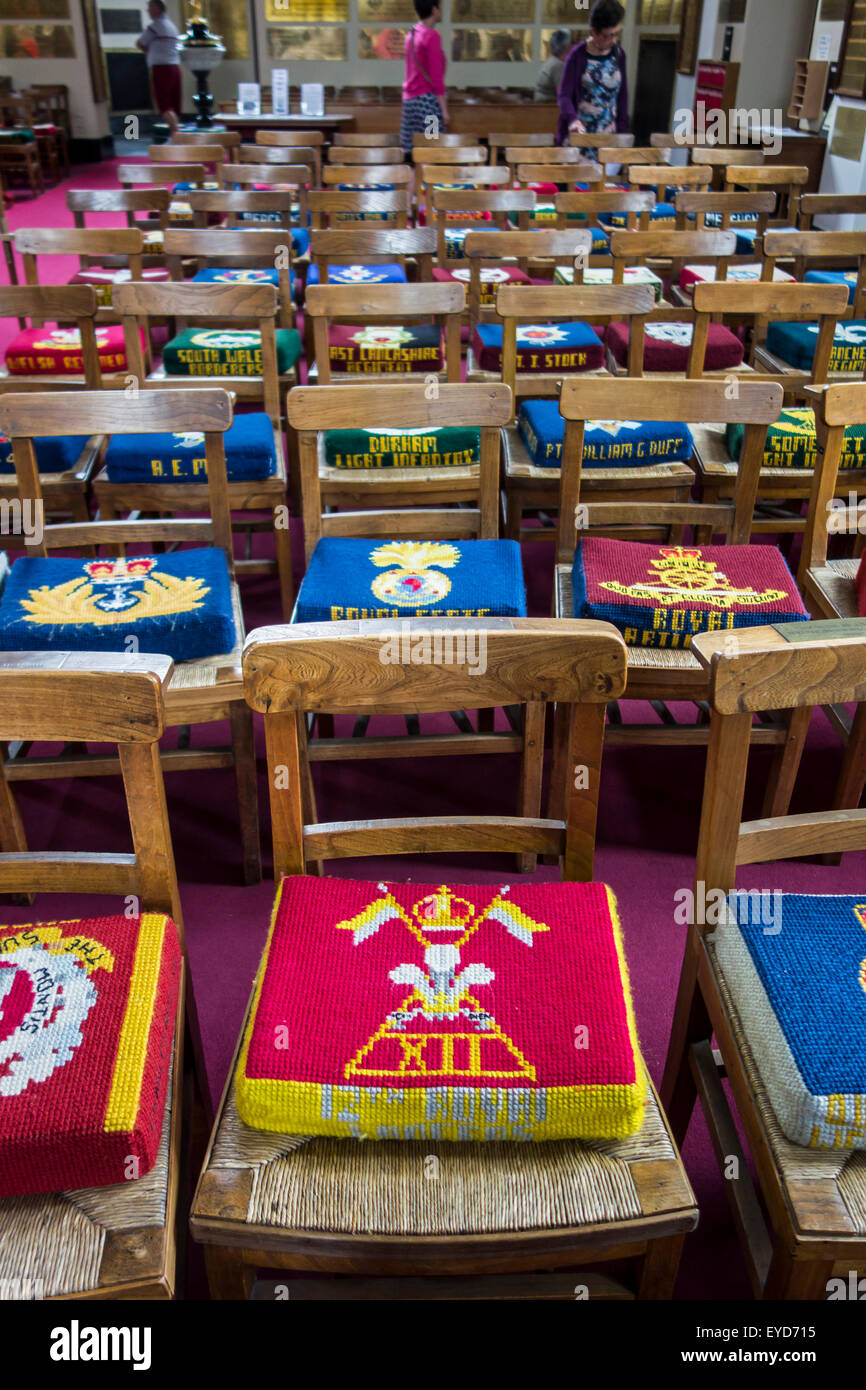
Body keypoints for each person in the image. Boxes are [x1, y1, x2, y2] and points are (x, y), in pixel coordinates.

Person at [556, 0, 628, 153]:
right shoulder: (577, 55)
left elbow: (622, 97)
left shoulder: (619, 55)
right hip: (581, 137)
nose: (613, 40)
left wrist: (623, 135)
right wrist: (572, 120)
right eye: (608, 36)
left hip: (609, 138)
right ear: (594, 32)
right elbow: (564, 96)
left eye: (616, 34)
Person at [401, 0, 449, 160]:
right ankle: (427, 185)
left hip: (409, 103)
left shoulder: (411, 33)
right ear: (434, 10)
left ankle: (412, 185)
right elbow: (436, 78)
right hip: (428, 103)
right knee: (432, 149)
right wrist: (443, 110)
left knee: (411, 154)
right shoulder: (432, 35)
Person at [138, 0, 182, 137]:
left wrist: (148, 51)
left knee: (164, 105)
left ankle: (176, 136)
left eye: (150, 8)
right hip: (175, 67)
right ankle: (176, 135)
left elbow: (140, 43)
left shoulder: (155, 26)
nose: (148, 11)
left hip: (162, 69)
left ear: (158, 9)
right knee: (174, 104)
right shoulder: (172, 26)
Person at [534, 28, 570, 104]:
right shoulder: (558, 65)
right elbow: (562, 93)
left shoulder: (551, 61)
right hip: (548, 106)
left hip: (541, 102)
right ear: (566, 47)